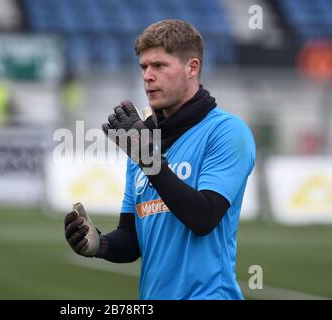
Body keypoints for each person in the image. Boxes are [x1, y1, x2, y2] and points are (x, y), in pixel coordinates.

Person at [64, 20, 256, 300]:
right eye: (144, 67)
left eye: (159, 66)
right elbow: (132, 239)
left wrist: (147, 157)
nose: (147, 76)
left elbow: (203, 217)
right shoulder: (144, 143)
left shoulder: (227, 131)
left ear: (192, 68)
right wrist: (99, 245)